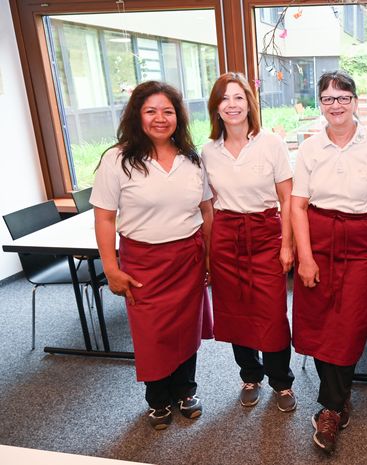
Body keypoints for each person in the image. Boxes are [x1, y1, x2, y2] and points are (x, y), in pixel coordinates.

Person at [91, 81, 213, 430]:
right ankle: (158, 399)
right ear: (137, 116)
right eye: (151, 111)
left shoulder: (192, 159)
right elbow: (104, 217)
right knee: (152, 333)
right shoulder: (118, 159)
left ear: (178, 117)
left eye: (168, 111)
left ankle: (186, 391)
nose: (160, 118)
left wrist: (207, 259)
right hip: (143, 262)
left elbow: (207, 211)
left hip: (187, 258)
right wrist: (111, 267)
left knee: (186, 330)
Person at [291, 71, 367, 454]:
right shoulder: (309, 148)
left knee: (350, 324)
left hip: (360, 243)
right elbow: (297, 204)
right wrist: (304, 257)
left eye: (343, 97)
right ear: (320, 104)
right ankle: (336, 403)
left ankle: (330, 408)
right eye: (328, 99)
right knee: (320, 322)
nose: (336, 105)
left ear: (355, 100)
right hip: (318, 239)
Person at [201, 73, 296, 412]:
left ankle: (281, 382)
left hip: (266, 232)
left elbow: (287, 197)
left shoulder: (271, 142)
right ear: (216, 107)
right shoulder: (208, 151)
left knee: (271, 312)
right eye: (224, 99)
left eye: (238, 97)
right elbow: (208, 205)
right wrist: (209, 254)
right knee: (236, 310)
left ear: (249, 103)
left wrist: (288, 244)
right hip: (227, 235)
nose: (232, 105)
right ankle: (249, 376)